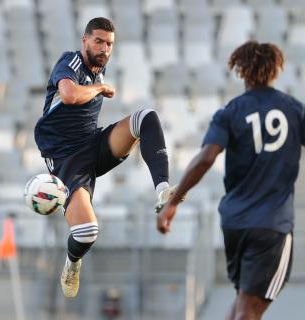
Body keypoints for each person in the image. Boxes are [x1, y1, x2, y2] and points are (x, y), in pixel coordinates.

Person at [157, 41, 301, 320]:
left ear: (241, 71)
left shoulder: (230, 112)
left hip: (235, 223)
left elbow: (206, 157)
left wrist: (173, 203)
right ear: (276, 70)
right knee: (250, 308)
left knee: (241, 304)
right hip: (272, 224)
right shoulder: (293, 110)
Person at [35, 17, 175, 298]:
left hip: (93, 144)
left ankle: (163, 191)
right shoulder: (71, 62)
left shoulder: (100, 67)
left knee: (145, 118)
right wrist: (100, 88)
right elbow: (69, 94)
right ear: (85, 40)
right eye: (98, 41)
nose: (104, 48)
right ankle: (72, 263)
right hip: (66, 160)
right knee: (87, 231)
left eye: (109, 44)